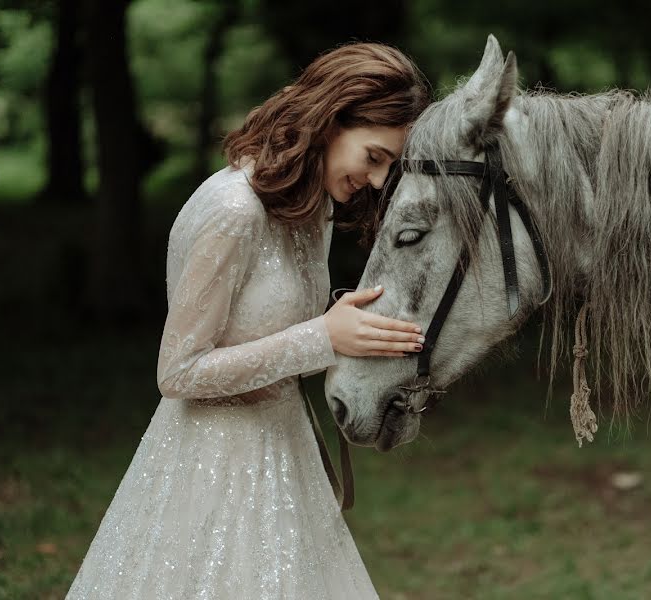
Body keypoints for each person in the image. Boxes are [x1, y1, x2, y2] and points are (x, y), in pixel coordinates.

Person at [66, 43, 430, 599]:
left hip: (285, 458)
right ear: (331, 120)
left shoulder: (310, 213)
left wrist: (354, 337)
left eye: (389, 167)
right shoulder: (233, 212)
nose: (379, 181)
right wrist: (321, 338)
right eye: (374, 157)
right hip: (210, 469)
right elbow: (179, 372)